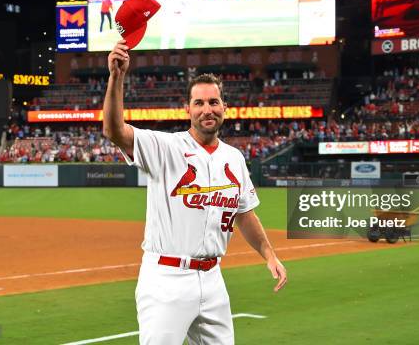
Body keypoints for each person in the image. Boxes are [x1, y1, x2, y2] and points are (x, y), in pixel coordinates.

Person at [103, 40, 287, 345]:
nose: (207, 110)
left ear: (225, 108)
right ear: (188, 109)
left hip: (213, 279)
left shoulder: (234, 158)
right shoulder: (166, 147)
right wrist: (116, 78)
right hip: (166, 279)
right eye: (199, 103)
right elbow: (114, 130)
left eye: (213, 102)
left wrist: (269, 254)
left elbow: (244, 212)